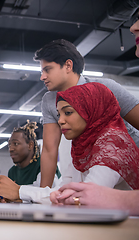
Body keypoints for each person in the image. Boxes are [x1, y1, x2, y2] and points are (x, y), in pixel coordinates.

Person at [49, 13, 139, 215]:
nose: (61, 121)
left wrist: (24, 192)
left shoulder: (112, 142)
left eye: (69, 112)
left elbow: (84, 196)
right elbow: (71, 188)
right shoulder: (80, 142)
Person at [34, 39, 139, 188]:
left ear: (68, 65)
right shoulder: (49, 100)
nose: (42, 77)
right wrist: (42, 196)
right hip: (93, 167)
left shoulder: (105, 88)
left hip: (127, 164)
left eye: (47, 69)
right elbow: (50, 150)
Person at [0, 121, 61, 203]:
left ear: (30, 145)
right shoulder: (12, 171)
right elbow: (16, 197)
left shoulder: (44, 165)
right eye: (9, 145)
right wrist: (4, 197)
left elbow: (47, 195)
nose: (11, 149)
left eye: (16, 143)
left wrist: (17, 195)